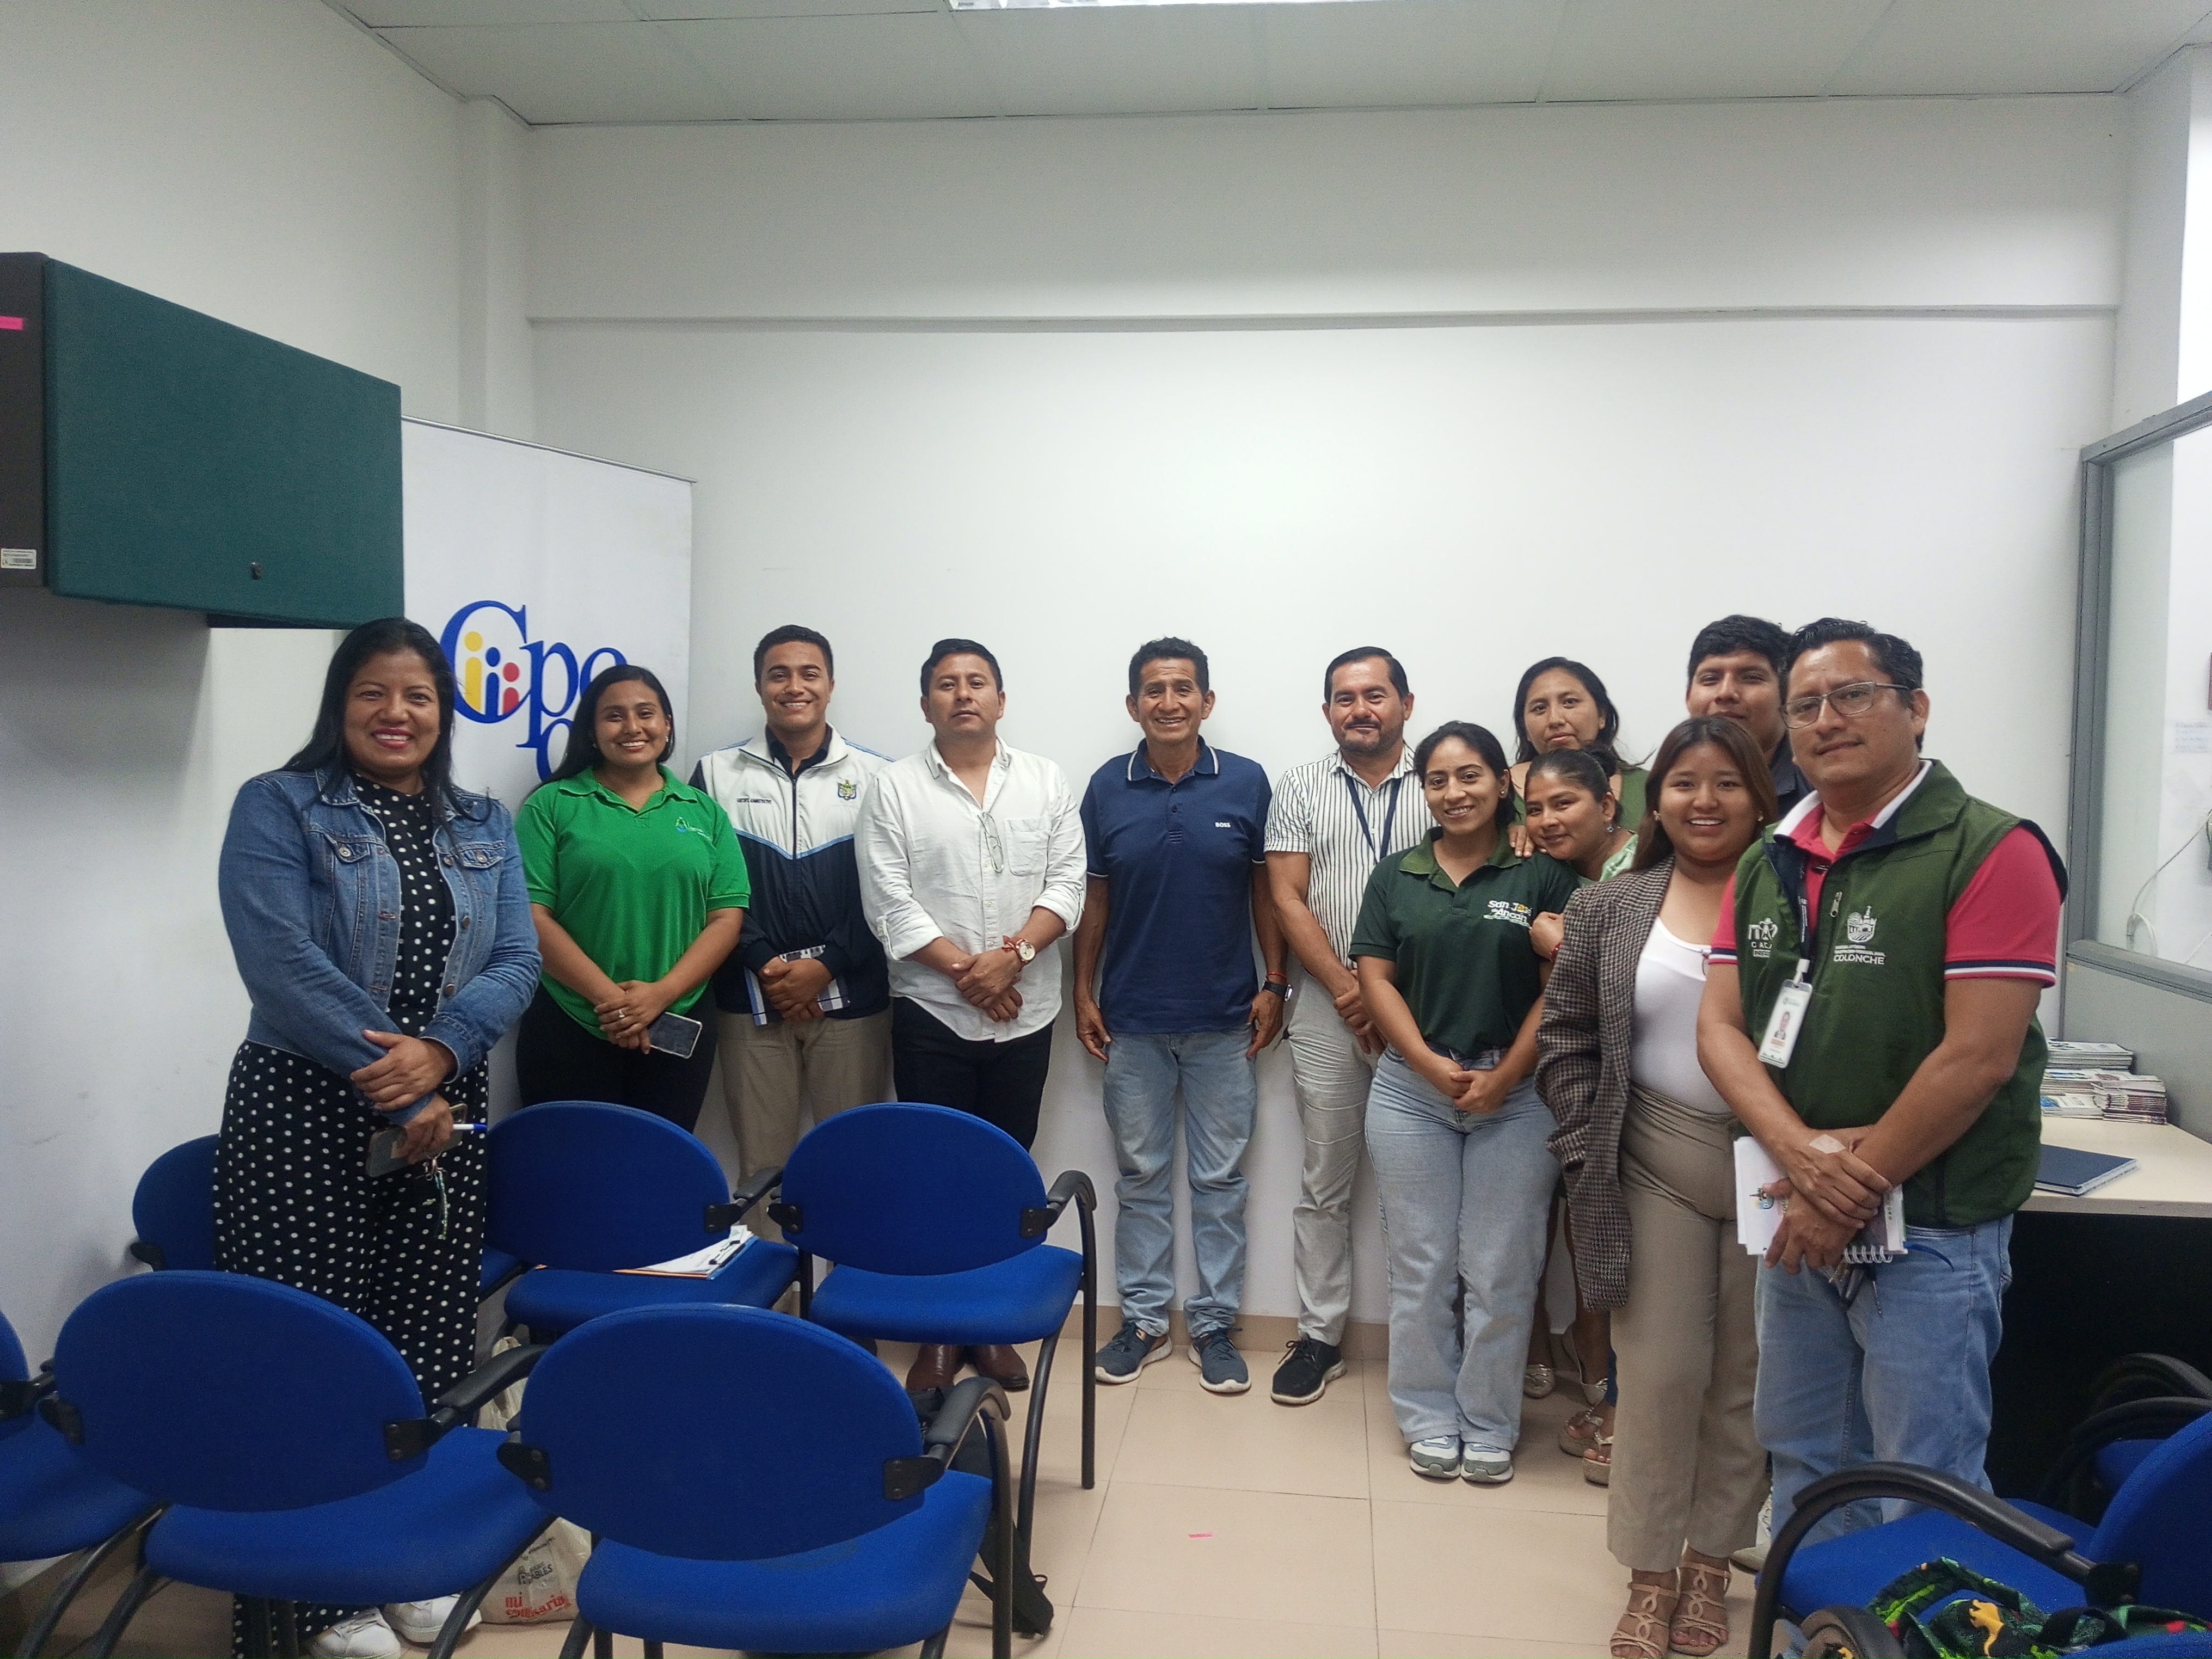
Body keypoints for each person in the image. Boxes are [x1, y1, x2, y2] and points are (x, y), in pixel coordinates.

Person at [1698, 619, 2065, 1547]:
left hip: (1931, 1224)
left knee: (1923, 1476)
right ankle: (1817, 1620)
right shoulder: (1767, 857)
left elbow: (1977, 1057)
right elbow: (1720, 1028)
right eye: (1805, 706)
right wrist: (1802, 1160)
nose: (1826, 720)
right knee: (1804, 1455)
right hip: (1794, 1209)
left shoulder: (1991, 848)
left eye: (1852, 695)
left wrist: (1841, 1190)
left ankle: (1909, 1621)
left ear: (1916, 708)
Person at [214, 618, 540, 1659]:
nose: (395, 713)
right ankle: (312, 1600)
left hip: (448, 1110)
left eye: (417, 696)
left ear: (443, 711)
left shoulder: (483, 820)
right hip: (304, 1109)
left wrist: (442, 1053)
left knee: (425, 1343)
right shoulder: (280, 805)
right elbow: (280, 962)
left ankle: (404, 1561)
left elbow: (517, 959)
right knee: (310, 1357)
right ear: (340, 703)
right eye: (372, 693)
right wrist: (407, 1093)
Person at [1538, 717, 1778, 1659]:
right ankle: (1649, 1572)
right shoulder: (1614, 903)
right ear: (1655, 799)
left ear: (1759, 796)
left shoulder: (1796, 898)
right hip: (1650, 1156)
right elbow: (1565, 1032)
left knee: (1745, 1378)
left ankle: (1710, 1563)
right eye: (1684, 782)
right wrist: (1579, 1135)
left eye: (1727, 782)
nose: (1704, 800)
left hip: (1771, 1164)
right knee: (1660, 1371)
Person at [856, 637, 1086, 1394]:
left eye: (977, 682)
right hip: (933, 1011)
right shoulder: (893, 788)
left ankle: (989, 1326)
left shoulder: (1045, 780)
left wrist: (1011, 958)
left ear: (1000, 699)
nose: (963, 694)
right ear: (926, 704)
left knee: (1006, 1173)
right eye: (947, 685)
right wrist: (970, 972)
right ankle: (939, 1335)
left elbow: (1068, 885)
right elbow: (888, 901)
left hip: (1026, 1011)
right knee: (933, 1175)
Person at [1353, 721, 1578, 1485]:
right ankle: (1426, 1416)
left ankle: (1487, 1421)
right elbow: (1376, 978)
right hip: (1410, 1093)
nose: (1454, 792)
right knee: (1421, 1266)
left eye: (1471, 775)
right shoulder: (1397, 875)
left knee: (1501, 1268)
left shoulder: (1541, 872)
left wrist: (1507, 1075)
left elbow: (1561, 985)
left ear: (1503, 782)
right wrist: (1423, 1062)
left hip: (1516, 1095)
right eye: (1438, 780)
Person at [1076, 638, 1286, 1397]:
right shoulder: (1107, 787)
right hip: (1131, 1020)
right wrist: (1082, 991)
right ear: (1134, 705)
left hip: (1225, 1020)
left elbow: (1265, 893)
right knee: (1140, 1180)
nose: (1169, 702)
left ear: (1207, 701)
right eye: (1155, 690)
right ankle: (1142, 1322)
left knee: (1220, 1182)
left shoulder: (1246, 782)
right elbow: (1095, 898)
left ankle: (1214, 1326)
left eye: (1183, 688)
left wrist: (1276, 982)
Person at [1263, 647, 1433, 1405]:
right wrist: (1348, 988)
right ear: (1328, 711)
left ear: (1406, 704)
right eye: (1344, 698)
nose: (1360, 709)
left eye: (1375, 695)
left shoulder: (1443, 778)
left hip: (1426, 1012)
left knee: (1421, 1187)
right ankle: (1320, 1337)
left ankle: (1426, 1343)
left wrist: (1385, 996)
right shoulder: (1299, 786)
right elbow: (1286, 898)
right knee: (1324, 1183)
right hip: (1330, 1011)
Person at [692, 625, 891, 1220]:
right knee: (761, 1171)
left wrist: (826, 965)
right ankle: (770, 1282)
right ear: (759, 686)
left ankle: (845, 1279)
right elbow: (707, 884)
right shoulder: (716, 774)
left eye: (809, 673)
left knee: (851, 1164)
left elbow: (890, 891)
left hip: (853, 998)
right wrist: (765, 963)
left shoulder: (880, 775)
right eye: (778, 674)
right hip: (751, 996)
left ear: (830, 684)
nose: (794, 686)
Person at [514, 664, 749, 1132]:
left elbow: (726, 918)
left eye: (646, 713)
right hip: (572, 1020)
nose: (632, 727)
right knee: (566, 1166)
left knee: (660, 1165)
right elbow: (532, 917)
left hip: (677, 1018)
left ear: (667, 724)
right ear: (592, 730)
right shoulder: (551, 805)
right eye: (614, 716)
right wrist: (615, 1004)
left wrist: (660, 996)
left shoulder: (704, 812)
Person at [1519, 742, 1636, 1425]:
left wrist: (1559, 944)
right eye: (1534, 809)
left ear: (1607, 804)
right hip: (1573, 1081)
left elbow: (1629, 973)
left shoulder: (1641, 868)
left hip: (1639, 1092)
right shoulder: (1555, 875)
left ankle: (1619, 1399)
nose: (1547, 820)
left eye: (1563, 803)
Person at [1684, 614, 1808, 816]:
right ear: (1688, 697)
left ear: (1788, 697)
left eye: (1751, 678)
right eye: (1710, 679)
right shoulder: (1665, 789)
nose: (1725, 693)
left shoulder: (1821, 791)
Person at [1509, 656, 1649, 832]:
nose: (1555, 720)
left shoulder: (1650, 787)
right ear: (1525, 729)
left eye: (1570, 702)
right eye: (1540, 708)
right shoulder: (1497, 790)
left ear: (1602, 715)